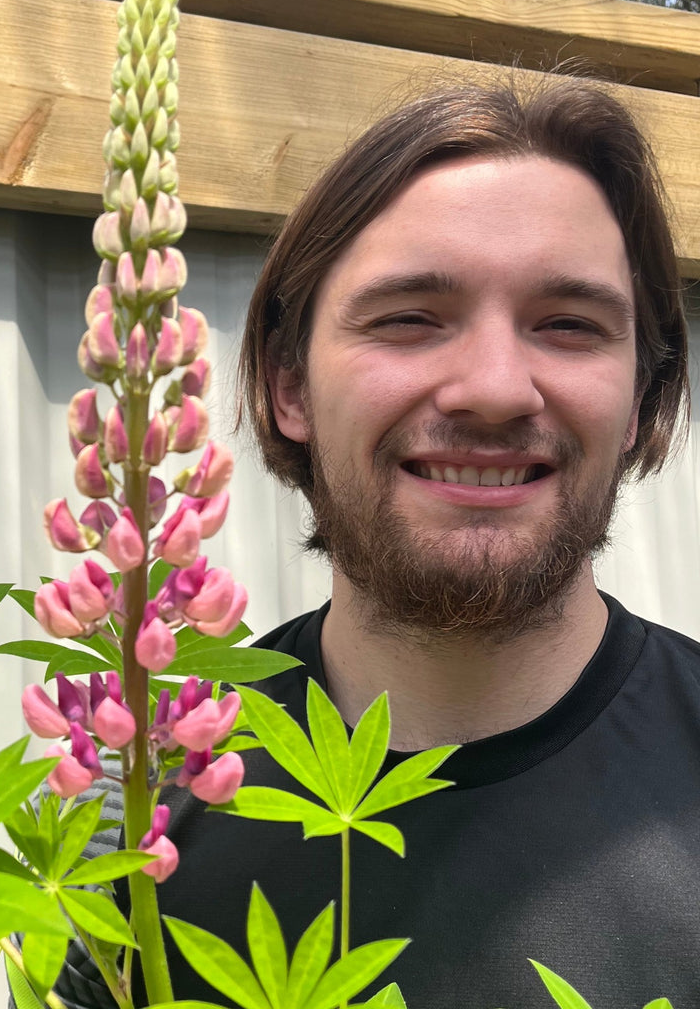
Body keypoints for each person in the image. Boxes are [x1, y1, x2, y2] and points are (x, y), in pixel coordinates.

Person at [52, 79, 700, 1009]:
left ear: (642, 397)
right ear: (289, 388)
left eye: (568, 324)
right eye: (408, 318)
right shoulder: (132, 793)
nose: (494, 388)